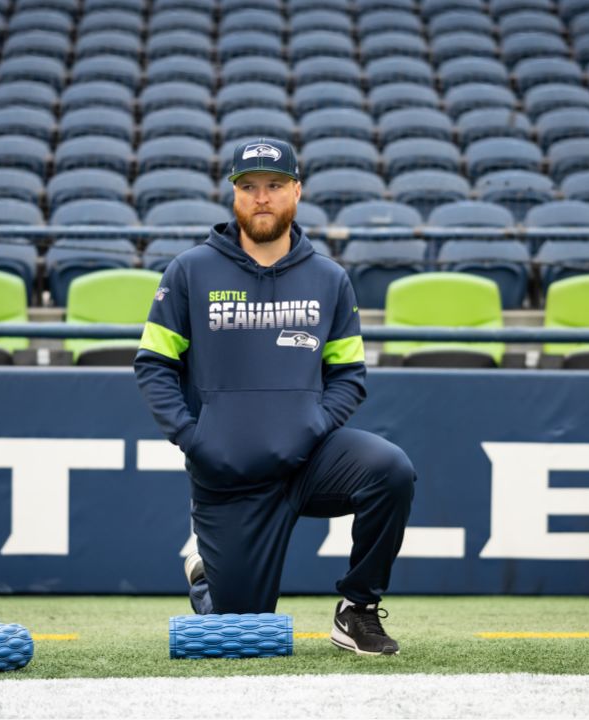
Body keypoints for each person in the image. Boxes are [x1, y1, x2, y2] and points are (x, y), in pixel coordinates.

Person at [133, 137, 416, 655]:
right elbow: (154, 365)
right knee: (243, 635)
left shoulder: (330, 278)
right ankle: (206, 576)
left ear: (296, 192)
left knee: (390, 469)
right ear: (235, 196)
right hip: (229, 473)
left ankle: (357, 610)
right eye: (249, 187)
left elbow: (349, 375)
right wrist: (196, 439)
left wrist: (309, 425)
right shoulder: (190, 271)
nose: (262, 197)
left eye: (275, 185)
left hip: (309, 461)